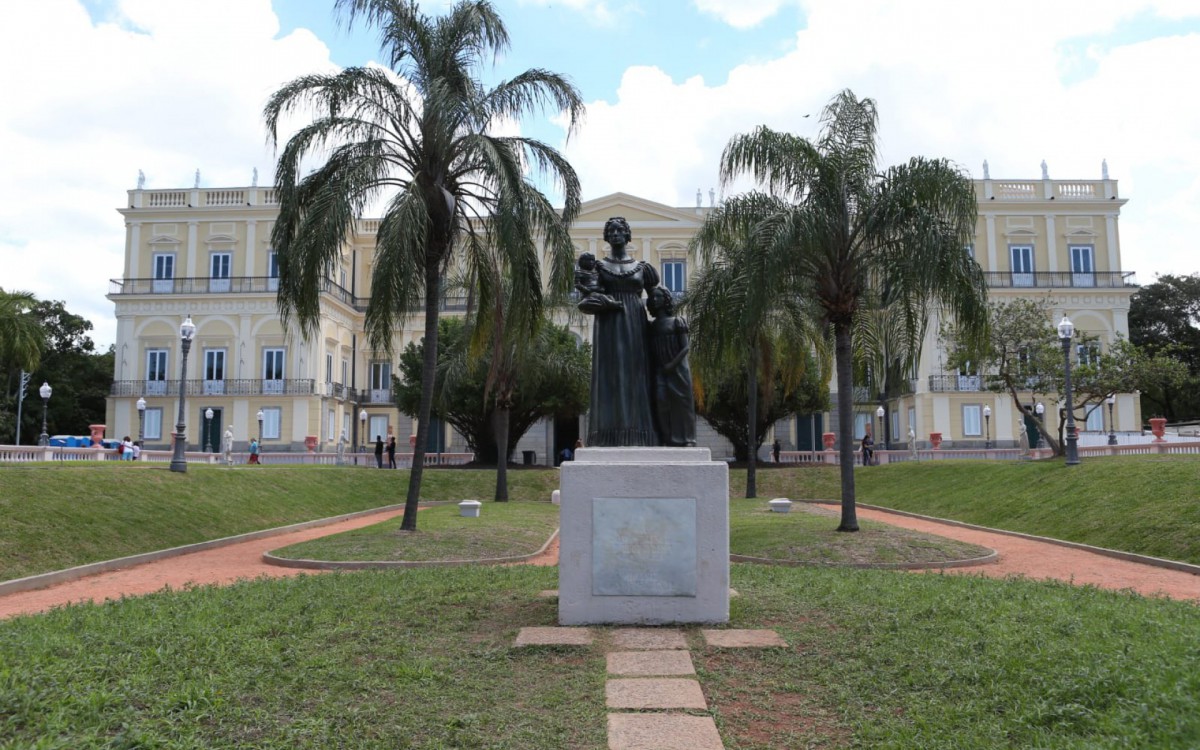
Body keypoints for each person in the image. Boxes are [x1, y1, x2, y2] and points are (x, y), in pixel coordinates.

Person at [580, 217, 660, 446]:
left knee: (637, 374)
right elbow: (587, 299)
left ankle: (641, 433)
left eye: (620, 230)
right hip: (608, 327)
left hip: (636, 324)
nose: (615, 233)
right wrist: (605, 303)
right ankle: (608, 435)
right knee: (611, 376)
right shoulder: (598, 267)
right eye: (611, 230)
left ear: (627, 235)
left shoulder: (643, 268)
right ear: (606, 236)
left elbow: (658, 300)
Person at [646, 285, 696, 447]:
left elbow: (685, 347)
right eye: (653, 297)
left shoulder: (677, 321)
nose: (655, 299)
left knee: (682, 404)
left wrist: (672, 365)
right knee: (661, 402)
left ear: (666, 299)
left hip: (679, 370)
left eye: (659, 296)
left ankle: (687, 439)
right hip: (661, 370)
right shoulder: (652, 326)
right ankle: (667, 438)